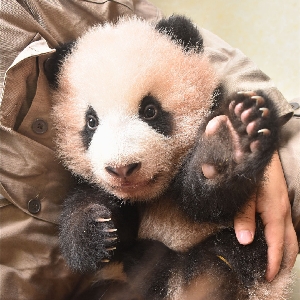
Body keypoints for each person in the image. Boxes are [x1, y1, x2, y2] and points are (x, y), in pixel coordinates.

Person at [0, 1, 298, 299]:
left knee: (205, 198)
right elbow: (87, 254)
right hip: (142, 274)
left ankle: (215, 167)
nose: (119, 158)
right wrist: (86, 227)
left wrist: (240, 137)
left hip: (216, 255)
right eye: (92, 122)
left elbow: (176, 47)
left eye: (151, 112)